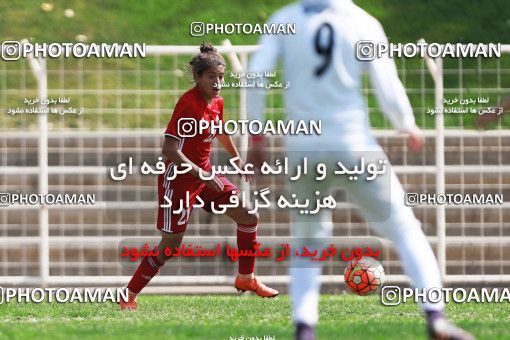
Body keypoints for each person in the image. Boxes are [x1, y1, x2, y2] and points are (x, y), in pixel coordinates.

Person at [246, 0, 474, 339]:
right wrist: (406, 123)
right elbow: (387, 84)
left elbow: (255, 75)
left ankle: (305, 328)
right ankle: (435, 316)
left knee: (308, 240)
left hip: (303, 149)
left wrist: (256, 136)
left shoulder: (285, 19)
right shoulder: (363, 22)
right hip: (354, 145)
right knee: (405, 229)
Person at [120, 43, 278, 311]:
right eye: (211, 77)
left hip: (204, 177)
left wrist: (237, 158)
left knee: (249, 215)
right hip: (178, 180)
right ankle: (128, 294)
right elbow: (169, 150)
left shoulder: (217, 101)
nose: (217, 83)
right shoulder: (187, 104)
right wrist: (202, 174)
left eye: (221, 77)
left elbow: (219, 129)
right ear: (197, 77)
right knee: (170, 246)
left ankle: (246, 278)